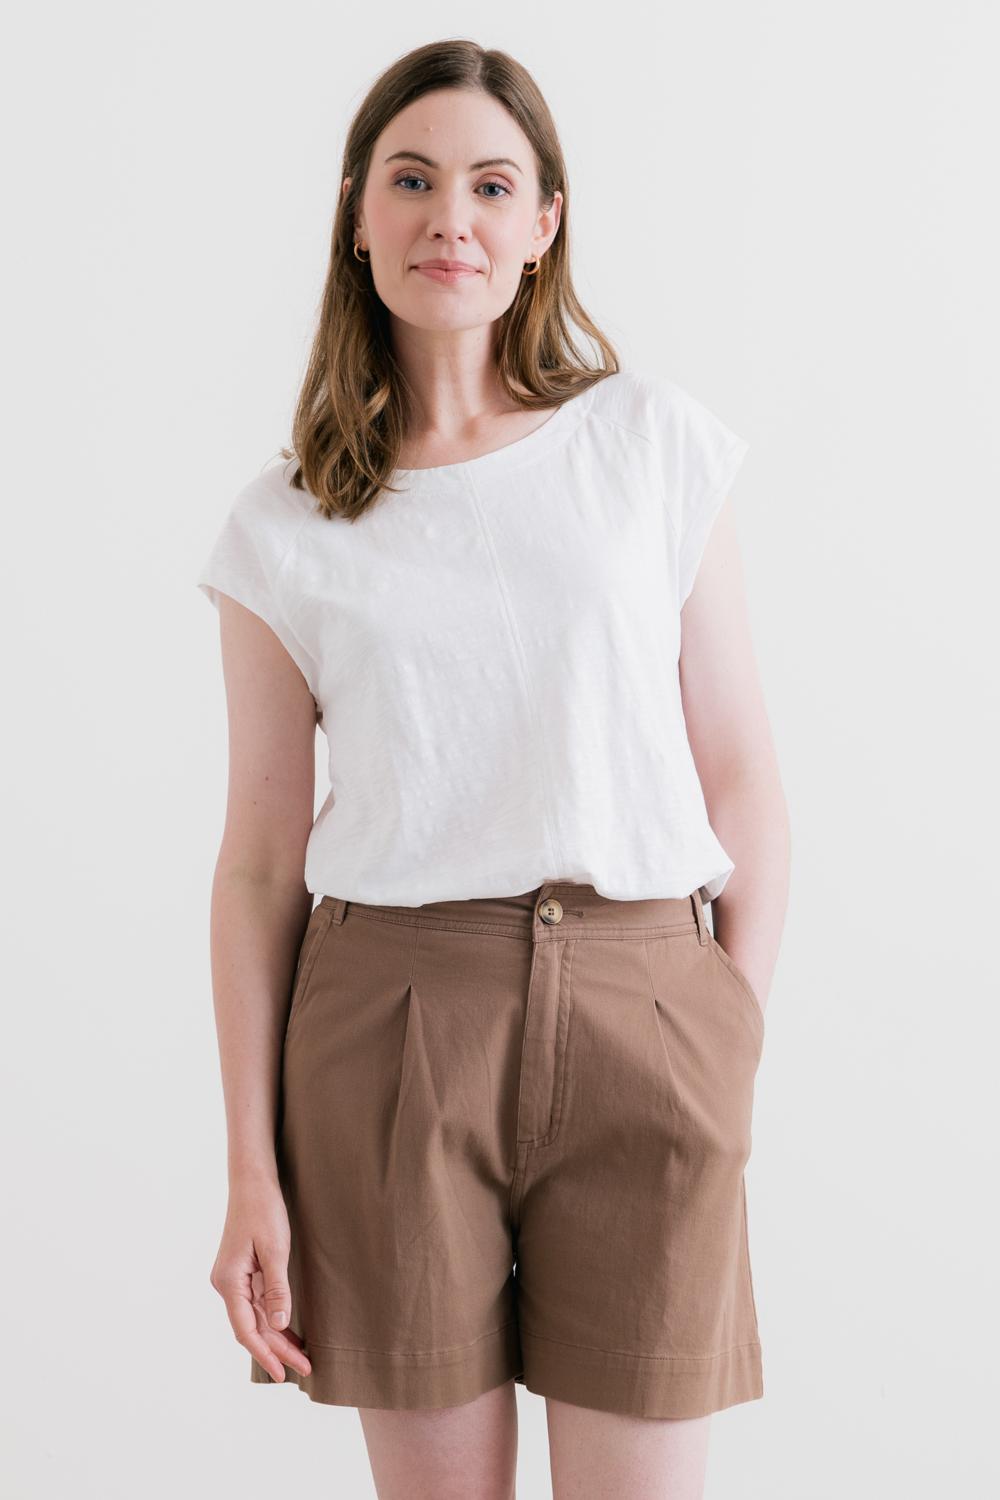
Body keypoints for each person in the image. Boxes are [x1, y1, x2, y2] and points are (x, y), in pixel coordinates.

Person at [196, 38, 790, 1500]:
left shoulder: (647, 447)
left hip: (648, 1009)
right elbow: (261, 862)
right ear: (357, 215)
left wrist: (728, 1033)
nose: (448, 217)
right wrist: (250, 1167)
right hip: (393, 1027)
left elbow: (742, 775)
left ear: (544, 224)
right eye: (411, 181)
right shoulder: (286, 525)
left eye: (490, 185)